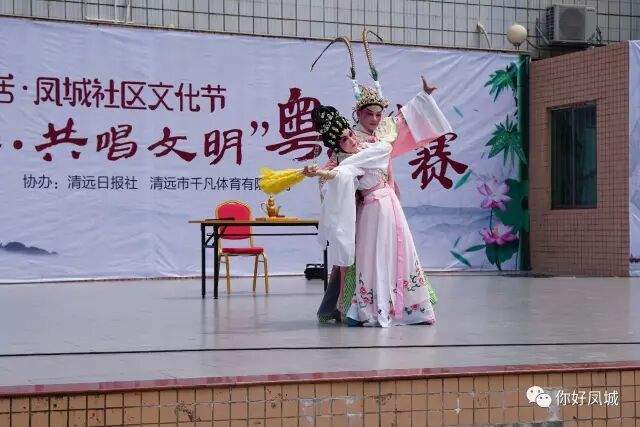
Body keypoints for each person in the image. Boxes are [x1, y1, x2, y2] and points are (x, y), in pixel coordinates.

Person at [305, 76, 451, 327]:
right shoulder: (348, 139)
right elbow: (337, 171)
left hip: (387, 199)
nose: (374, 119)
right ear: (358, 115)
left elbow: (403, 119)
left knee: (396, 251)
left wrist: (424, 96)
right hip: (362, 206)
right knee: (358, 259)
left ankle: (404, 304)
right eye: (369, 114)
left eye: (378, 114)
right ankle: (347, 307)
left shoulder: (382, 134)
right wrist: (323, 175)